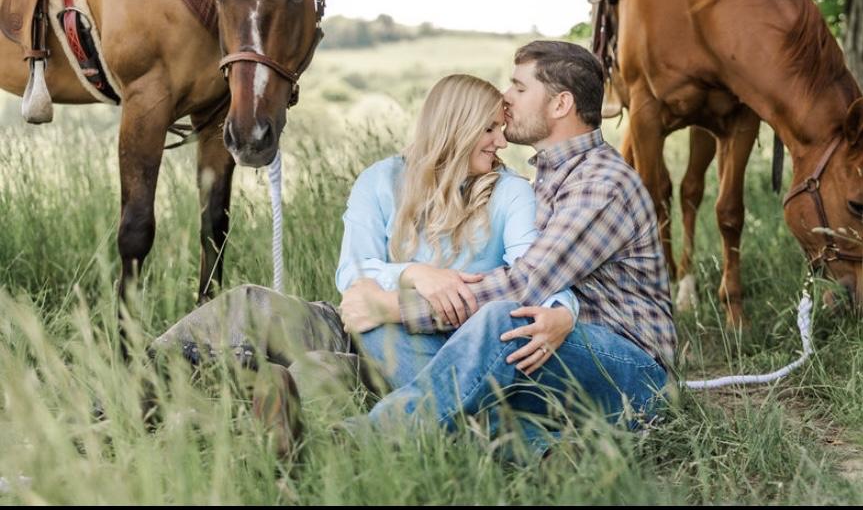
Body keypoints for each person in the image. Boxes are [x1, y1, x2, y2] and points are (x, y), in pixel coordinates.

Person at [148, 73, 577, 456]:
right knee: (248, 303)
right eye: (489, 129)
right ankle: (130, 395)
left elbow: (535, 272)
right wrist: (413, 274)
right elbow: (352, 272)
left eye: (500, 129)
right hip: (353, 324)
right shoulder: (382, 180)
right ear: (455, 128)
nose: (501, 142)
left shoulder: (510, 195)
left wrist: (563, 311)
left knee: (314, 377)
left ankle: (260, 445)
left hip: (425, 352)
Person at [345, 40, 676, 456]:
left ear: (560, 105)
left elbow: (523, 286)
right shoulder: (551, 178)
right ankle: (534, 449)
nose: (504, 97)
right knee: (388, 335)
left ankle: (363, 440)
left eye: (519, 88)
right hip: (552, 351)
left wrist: (394, 305)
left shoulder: (600, 185)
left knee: (498, 317)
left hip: (630, 375)